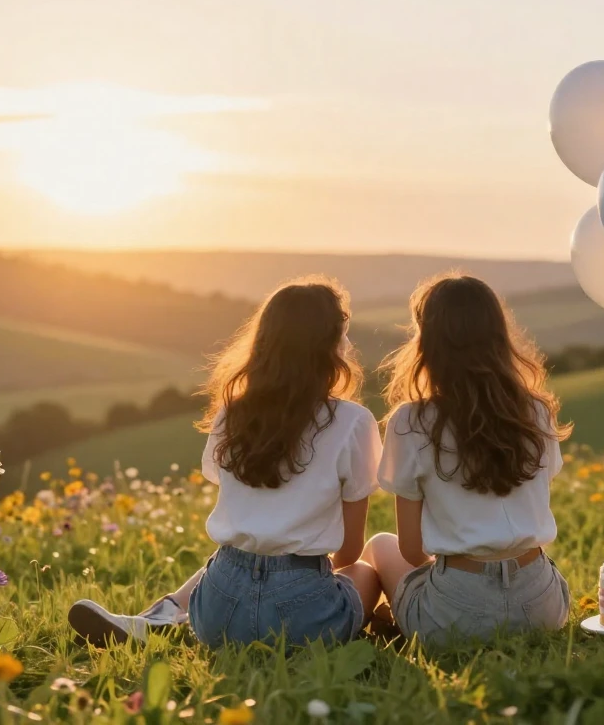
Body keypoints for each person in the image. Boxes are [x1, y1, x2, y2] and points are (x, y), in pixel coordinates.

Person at [68, 277, 382, 648]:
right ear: (330, 345)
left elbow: (239, 502)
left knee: (236, 558)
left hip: (217, 610)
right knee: (364, 571)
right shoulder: (354, 421)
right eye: (343, 333)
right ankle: (163, 618)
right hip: (301, 615)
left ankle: (158, 617)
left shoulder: (233, 413)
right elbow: (347, 552)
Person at [361, 273, 572, 646]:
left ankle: (390, 621)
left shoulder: (411, 422)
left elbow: (412, 550)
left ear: (427, 343)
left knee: (380, 545)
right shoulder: (536, 412)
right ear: (499, 334)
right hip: (542, 604)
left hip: (457, 610)